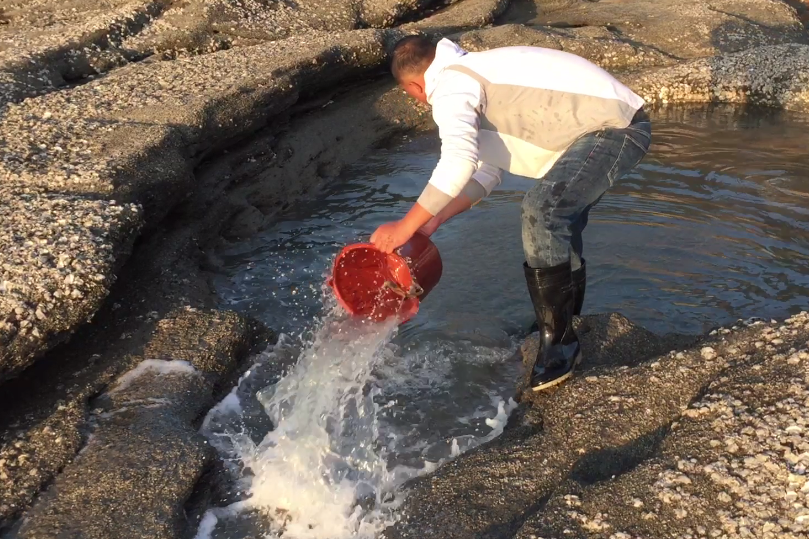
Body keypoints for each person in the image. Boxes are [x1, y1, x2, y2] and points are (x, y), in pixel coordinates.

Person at [370, 34, 651, 392]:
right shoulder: (474, 74)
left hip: (616, 130)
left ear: (414, 86)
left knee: (541, 210)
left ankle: (559, 345)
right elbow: (487, 172)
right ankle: (562, 324)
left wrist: (403, 227)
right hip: (609, 131)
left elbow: (457, 162)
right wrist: (433, 220)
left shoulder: (451, 85)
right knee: (560, 220)